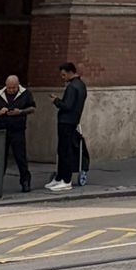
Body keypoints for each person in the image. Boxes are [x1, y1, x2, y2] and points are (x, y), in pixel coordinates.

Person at [0, 76, 35, 194]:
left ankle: (25, 181)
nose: (11, 90)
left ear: (18, 85)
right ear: (5, 85)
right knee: (0, 158)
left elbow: (32, 108)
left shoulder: (25, 94)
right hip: (2, 129)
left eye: (14, 88)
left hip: (17, 129)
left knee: (20, 157)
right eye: (9, 88)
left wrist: (21, 112)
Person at [47, 61, 87, 192]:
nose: (62, 78)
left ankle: (65, 179)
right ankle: (60, 178)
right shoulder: (81, 85)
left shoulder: (72, 87)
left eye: (64, 75)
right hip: (72, 121)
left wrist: (56, 101)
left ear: (70, 73)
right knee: (64, 150)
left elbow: (67, 106)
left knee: (65, 151)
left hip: (66, 121)